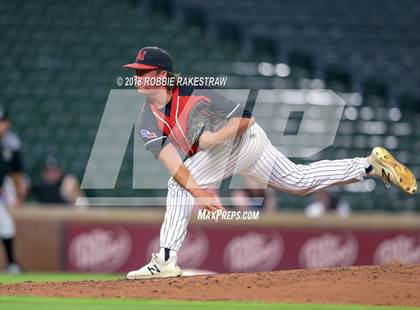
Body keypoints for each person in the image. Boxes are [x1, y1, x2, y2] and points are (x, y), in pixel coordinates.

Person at [123, 47, 417, 279]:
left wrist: (214, 138)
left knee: (178, 188)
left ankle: (165, 259)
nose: (136, 77)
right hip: (237, 152)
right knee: (299, 182)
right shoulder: (146, 120)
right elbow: (172, 162)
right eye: (135, 72)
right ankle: (369, 166)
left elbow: (246, 117)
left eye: (142, 72)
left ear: (162, 75)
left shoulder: (194, 93)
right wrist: (199, 191)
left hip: (244, 140)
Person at [0, 107, 26, 273]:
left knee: (7, 225)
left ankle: (11, 264)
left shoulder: (11, 143)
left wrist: (17, 192)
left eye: (1, 122)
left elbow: (15, 173)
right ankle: (11, 264)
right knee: (7, 225)